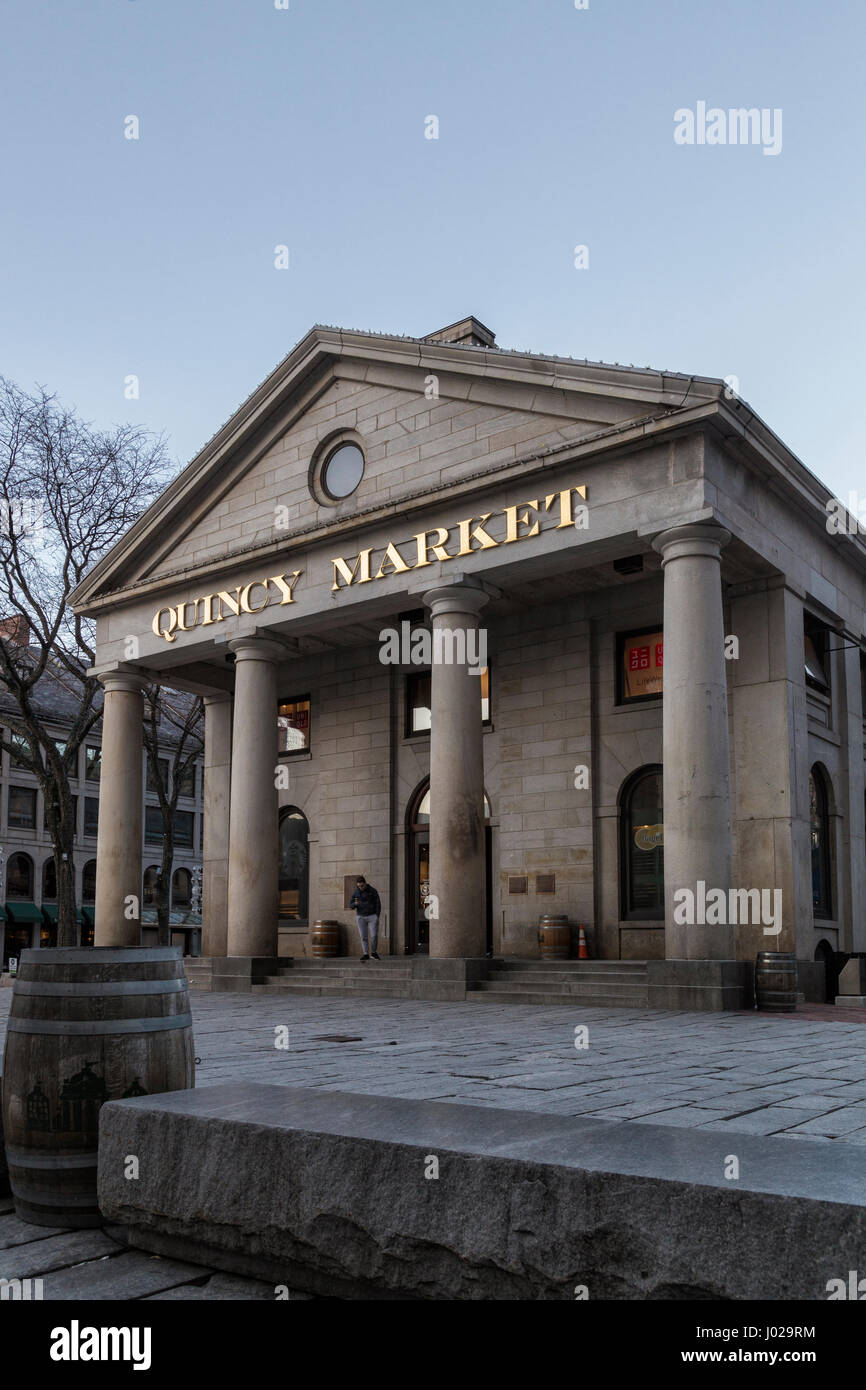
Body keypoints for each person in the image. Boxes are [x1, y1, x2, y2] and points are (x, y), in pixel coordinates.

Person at [349, 875, 381, 961]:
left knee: (374, 936)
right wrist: (354, 904)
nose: (360, 888)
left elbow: (378, 903)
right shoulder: (356, 892)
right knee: (363, 937)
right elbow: (350, 905)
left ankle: (374, 953)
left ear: (365, 883)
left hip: (372, 916)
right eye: (358, 886)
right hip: (360, 917)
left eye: (362, 886)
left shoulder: (372, 891)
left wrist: (377, 915)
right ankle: (366, 954)